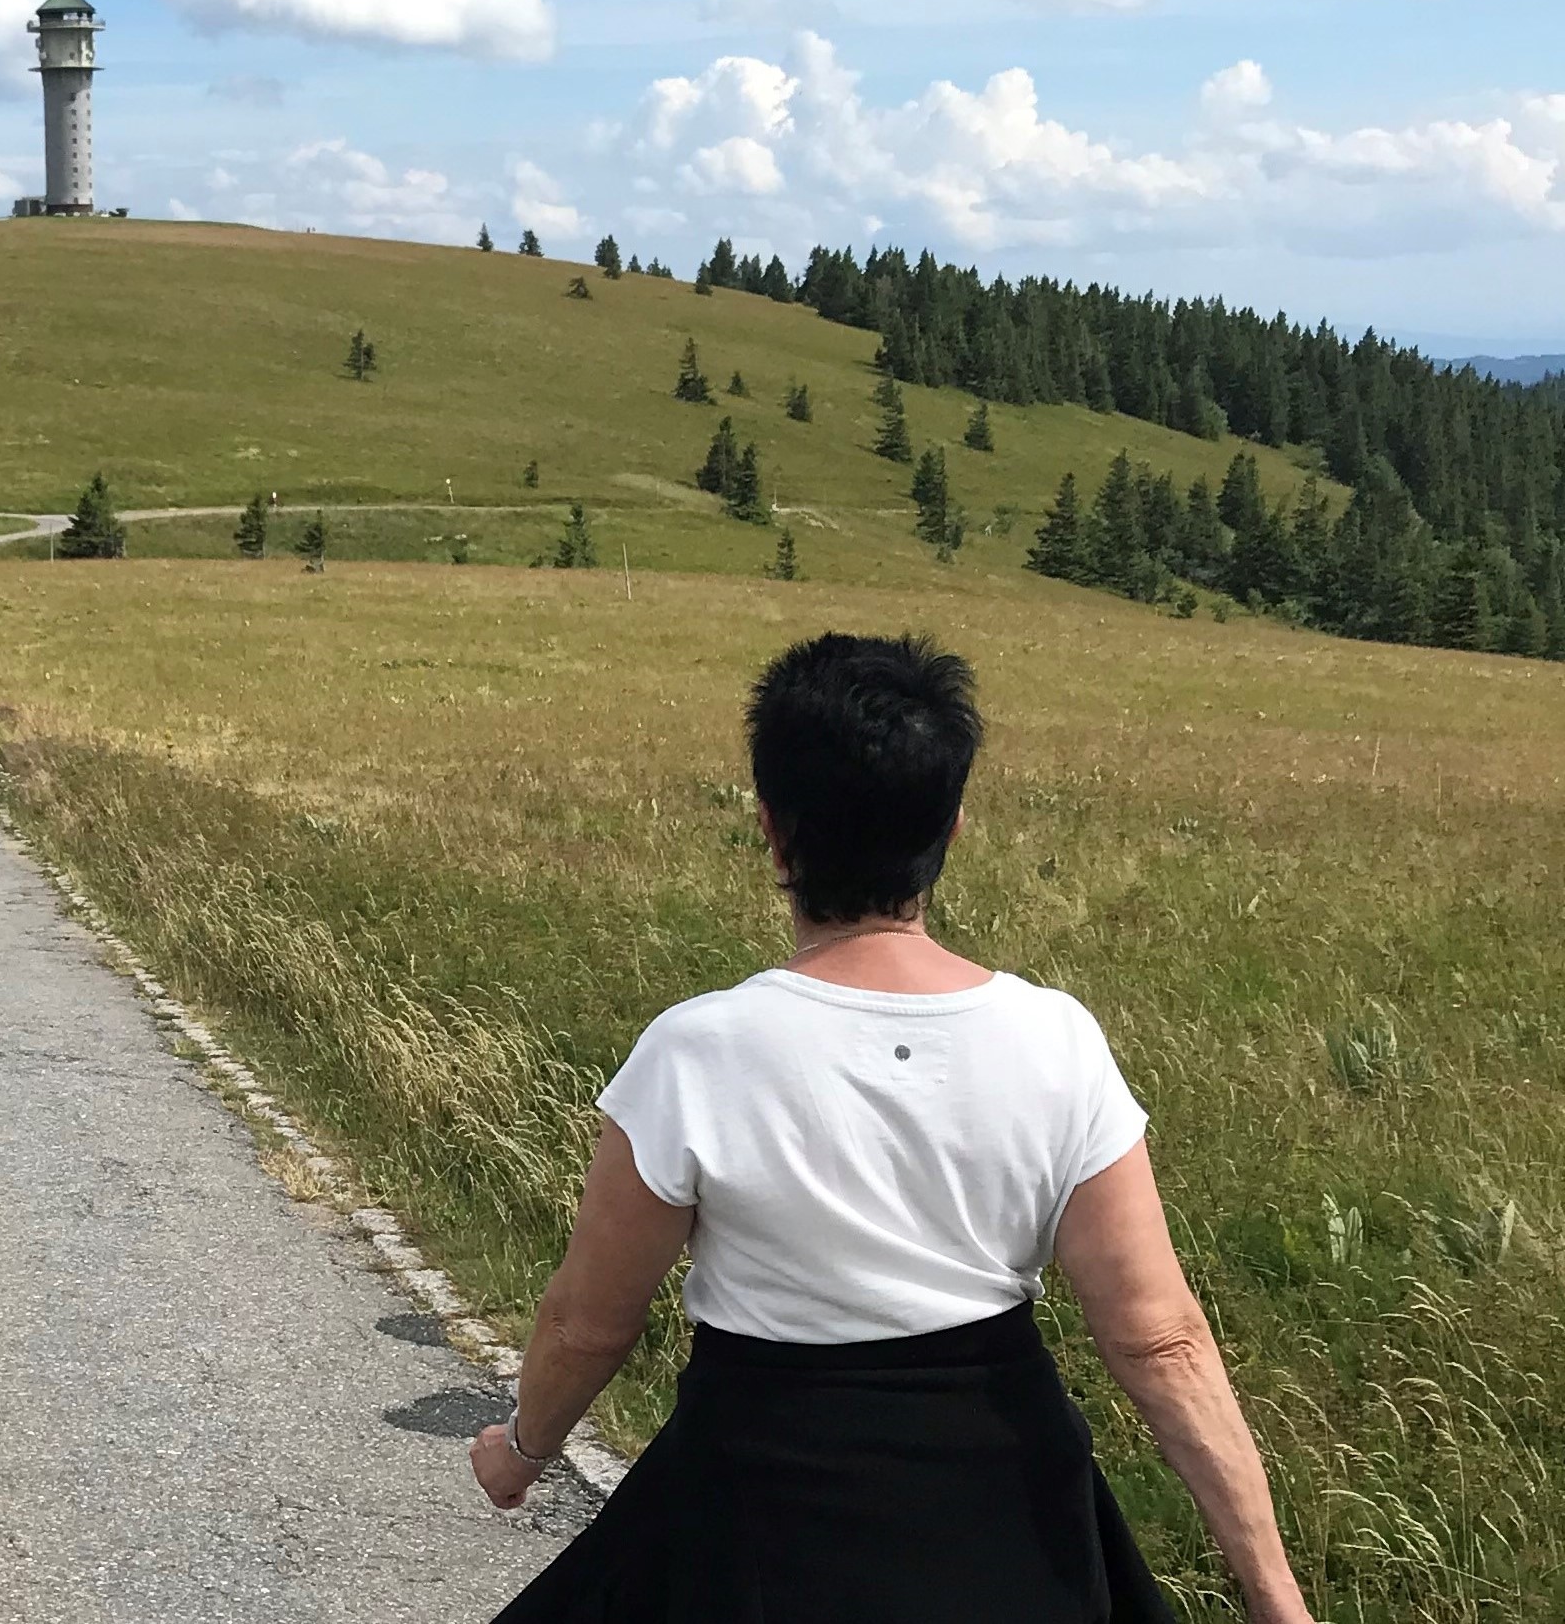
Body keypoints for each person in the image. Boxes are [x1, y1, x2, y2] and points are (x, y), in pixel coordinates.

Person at [473, 634, 1311, 1624]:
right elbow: (1161, 1338)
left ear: (773, 829)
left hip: (759, 1510)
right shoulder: (1058, 1040)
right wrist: (1277, 1600)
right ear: (949, 827)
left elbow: (588, 1321)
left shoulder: (696, 1051)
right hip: (1012, 1523)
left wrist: (521, 1451)